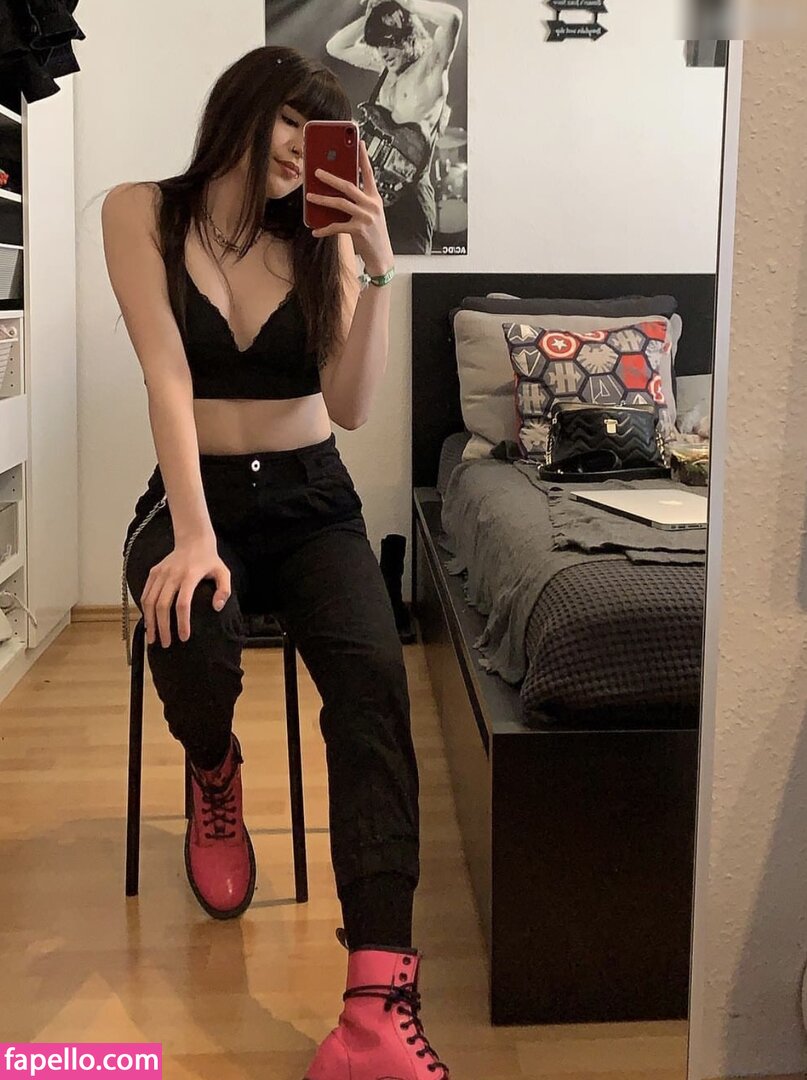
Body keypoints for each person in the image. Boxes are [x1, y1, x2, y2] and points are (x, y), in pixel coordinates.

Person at [102, 44, 447, 1080]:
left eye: (323, 129)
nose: (305, 148)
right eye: (292, 121)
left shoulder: (322, 238)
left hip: (312, 500)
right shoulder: (141, 212)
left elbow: (350, 407)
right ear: (242, 109)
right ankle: (215, 770)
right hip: (192, 491)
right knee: (189, 625)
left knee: (373, 677)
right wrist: (194, 534)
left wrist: (376, 267)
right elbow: (167, 376)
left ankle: (376, 1005)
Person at [326, 0, 463, 254]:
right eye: (378, 45)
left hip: (410, 202)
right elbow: (335, 47)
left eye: (389, 42)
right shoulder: (386, 65)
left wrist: (404, 3)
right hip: (371, 196)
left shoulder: (430, 66)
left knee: (408, 270)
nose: (383, 52)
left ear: (409, 35)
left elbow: (453, 19)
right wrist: (372, 16)